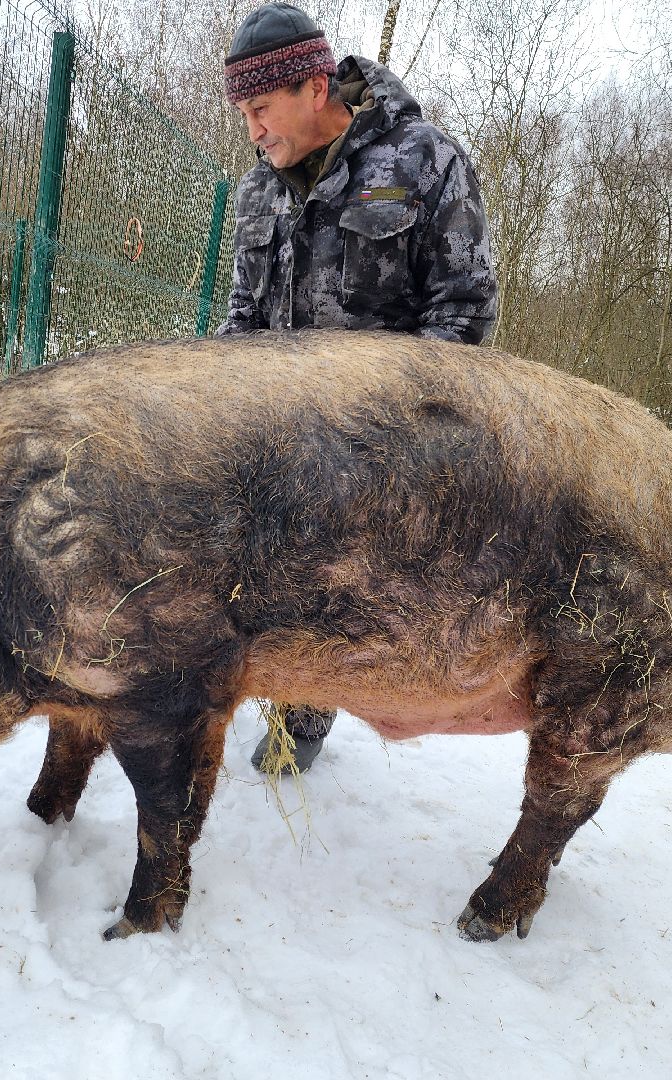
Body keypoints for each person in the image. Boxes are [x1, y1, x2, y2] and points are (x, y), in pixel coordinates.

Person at [218, 2, 499, 774]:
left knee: (342, 596)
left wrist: (393, 432)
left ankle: (305, 716)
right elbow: (243, 317)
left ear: (315, 88)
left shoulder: (425, 161)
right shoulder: (257, 191)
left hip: (383, 448)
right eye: (243, 114)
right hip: (277, 436)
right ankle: (258, 697)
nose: (253, 131)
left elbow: (465, 309)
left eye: (261, 109)